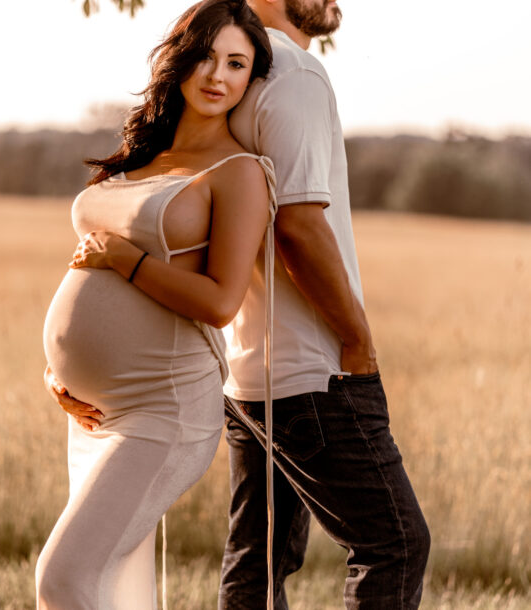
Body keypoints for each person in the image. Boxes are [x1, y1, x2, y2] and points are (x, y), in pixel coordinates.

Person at [35, 1, 274, 608]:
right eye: (206, 56)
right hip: (94, 409)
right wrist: (59, 367)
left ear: (251, 78)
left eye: (237, 63)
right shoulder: (140, 154)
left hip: (165, 408)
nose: (217, 75)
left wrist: (127, 261)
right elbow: (88, 260)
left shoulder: (238, 172)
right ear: (180, 58)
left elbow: (221, 302)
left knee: (63, 577)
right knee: (105, 581)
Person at [216, 1, 431, 609]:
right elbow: (300, 228)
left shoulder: (230, 73)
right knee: (395, 543)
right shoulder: (294, 73)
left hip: (248, 370)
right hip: (315, 373)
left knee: (257, 560)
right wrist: (357, 342)